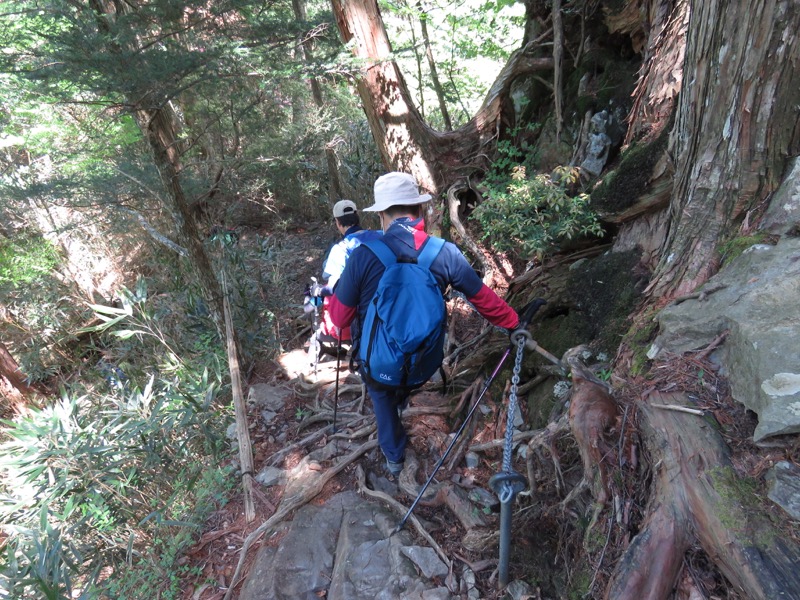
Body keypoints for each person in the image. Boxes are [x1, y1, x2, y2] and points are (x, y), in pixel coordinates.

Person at [328, 172, 521, 477]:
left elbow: (338, 319)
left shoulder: (363, 257)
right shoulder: (444, 253)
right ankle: (404, 397)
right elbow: (482, 299)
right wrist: (514, 323)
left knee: (381, 393)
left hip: (377, 366)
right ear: (419, 211)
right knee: (402, 376)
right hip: (424, 364)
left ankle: (394, 457)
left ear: (381, 215)